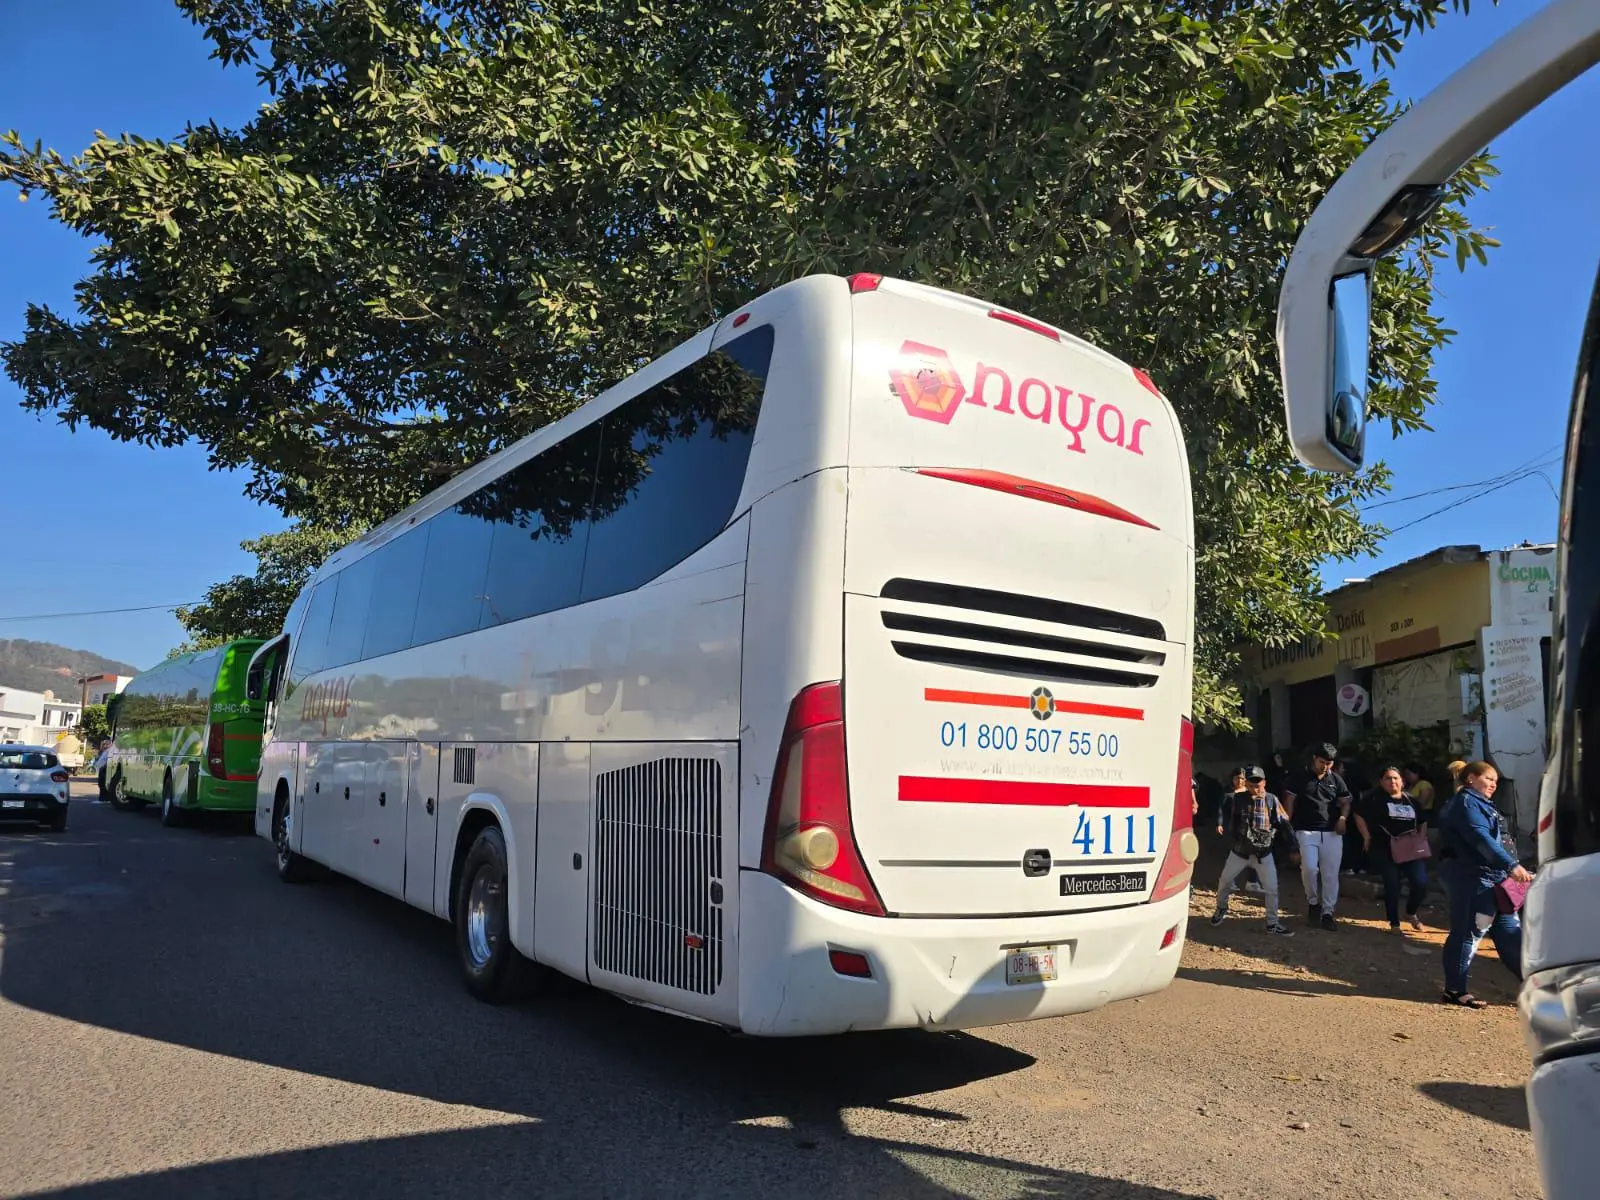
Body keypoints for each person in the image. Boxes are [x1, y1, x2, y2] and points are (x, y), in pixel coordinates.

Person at [1436, 760, 1532, 1009]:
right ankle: (1455, 991)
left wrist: (1510, 868)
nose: (1493, 784)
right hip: (1474, 879)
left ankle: (1537, 986)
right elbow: (1480, 839)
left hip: (1496, 880)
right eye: (1488, 779)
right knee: (1468, 933)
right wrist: (1511, 865)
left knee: (1510, 934)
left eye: (1495, 781)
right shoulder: (1466, 804)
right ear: (1470, 779)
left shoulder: (1481, 804)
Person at [1209, 765, 1295, 937]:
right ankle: (1221, 907)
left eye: (1258, 783)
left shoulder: (1271, 800)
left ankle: (1272, 923)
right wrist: (1237, 838)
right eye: (1251, 783)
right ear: (1246, 783)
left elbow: (1285, 824)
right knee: (1225, 881)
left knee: (1271, 888)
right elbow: (1233, 821)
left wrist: (1293, 847)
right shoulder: (1238, 799)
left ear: (1265, 782)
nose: (1255, 787)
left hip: (1264, 854)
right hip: (1240, 851)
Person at [1284, 742, 1352, 929]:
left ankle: (1328, 913)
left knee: (1330, 874)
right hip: (1305, 830)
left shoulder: (1336, 780)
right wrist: (1288, 830)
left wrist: (1342, 818)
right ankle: (1313, 902)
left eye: (1329, 763)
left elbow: (1346, 801)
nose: (1325, 766)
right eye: (1322, 762)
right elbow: (1289, 802)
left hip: (1331, 832)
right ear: (1314, 758)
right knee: (1310, 868)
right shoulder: (1298, 777)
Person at [1355, 765, 1429, 933]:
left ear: (1402, 781)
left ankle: (1411, 913)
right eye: (1388, 778)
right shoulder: (1374, 799)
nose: (1392, 781)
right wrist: (1366, 836)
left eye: (1395, 778)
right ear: (1381, 781)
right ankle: (1394, 922)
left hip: (1410, 849)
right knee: (1392, 884)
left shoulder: (1411, 800)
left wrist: (1421, 837)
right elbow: (1358, 814)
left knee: (1420, 883)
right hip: (1384, 849)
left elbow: (1423, 821)